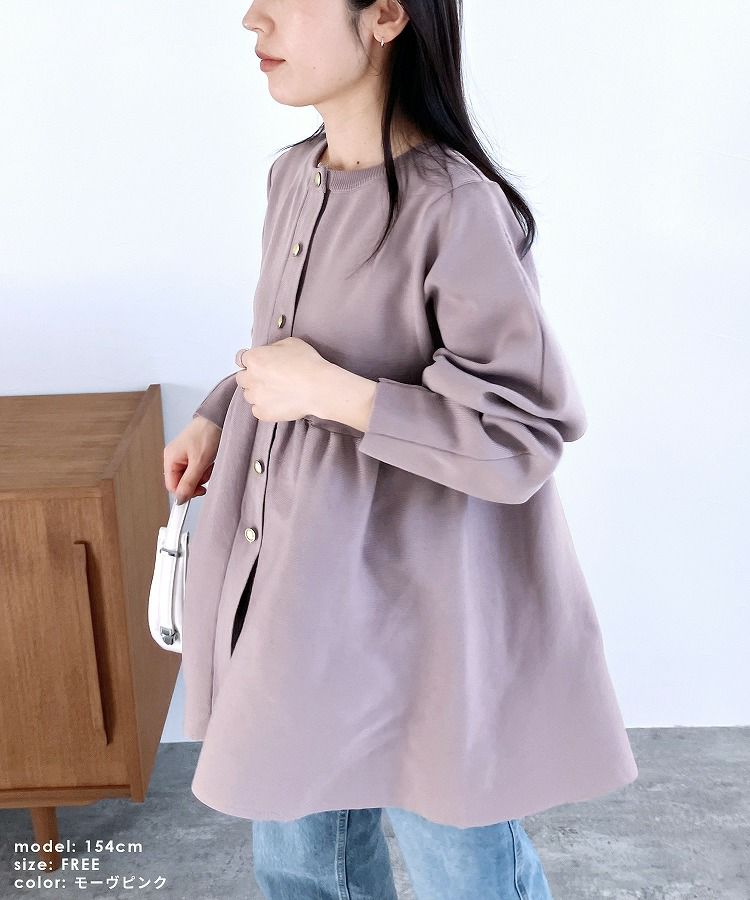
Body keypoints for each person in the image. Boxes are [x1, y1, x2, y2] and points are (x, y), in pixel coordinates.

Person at [163, 0, 638, 897]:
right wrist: (222, 413)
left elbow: (521, 433)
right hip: (296, 605)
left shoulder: (456, 207)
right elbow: (300, 351)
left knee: (465, 871)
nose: (253, 18)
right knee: (301, 868)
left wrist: (333, 396)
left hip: (423, 626)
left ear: (384, 16)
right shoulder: (293, 177)